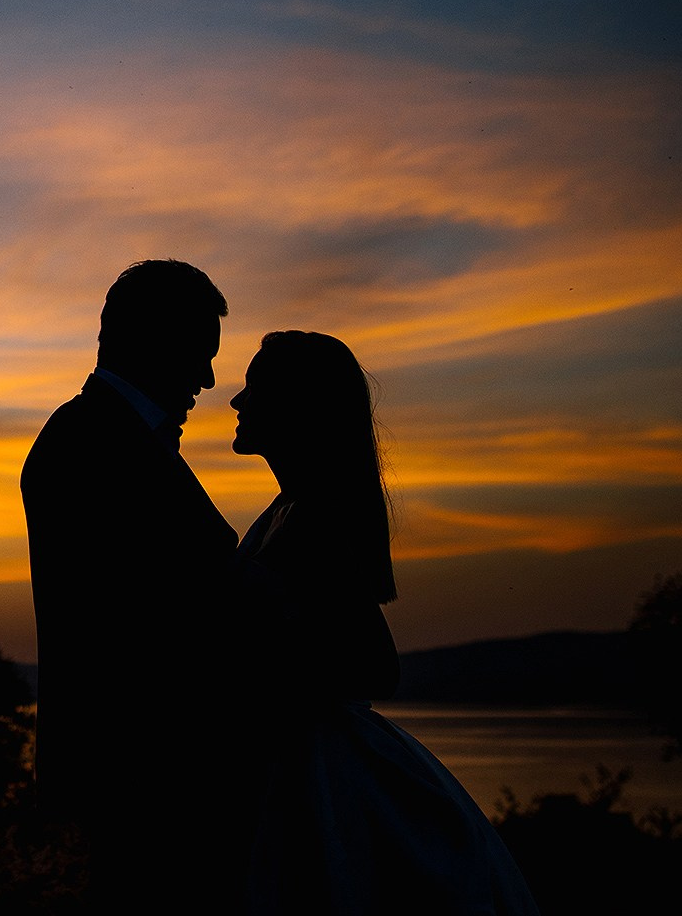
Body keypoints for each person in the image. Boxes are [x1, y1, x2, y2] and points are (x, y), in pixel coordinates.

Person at [229, 330, 538, 915]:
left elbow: (374, 664)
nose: (237, 403)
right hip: (291, 761)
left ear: (299, 407)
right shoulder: (284, 513)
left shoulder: (317, 520)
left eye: (255, 388)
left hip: (317, 775)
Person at [21, 259, 245, 904]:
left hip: (144, 773)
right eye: (199, 355)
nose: (206, 380)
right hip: (142, 774)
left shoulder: (118, 439)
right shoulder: (91, 443)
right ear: (152, 340)